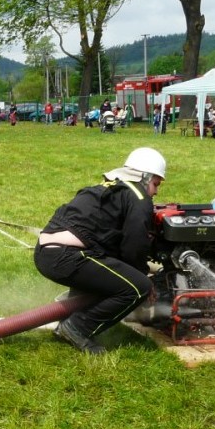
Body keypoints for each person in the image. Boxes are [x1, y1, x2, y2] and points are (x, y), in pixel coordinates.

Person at [34, 147, 165, 355]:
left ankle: (70, 319)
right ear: (145, 177)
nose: (156, 191)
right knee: (137, 287)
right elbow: (134, 245)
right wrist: (145, 278)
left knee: (109, 276)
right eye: (156, 184)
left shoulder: (113, 187)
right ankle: (77, 328)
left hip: (47, 252)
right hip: (67, 256)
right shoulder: (139, 197)